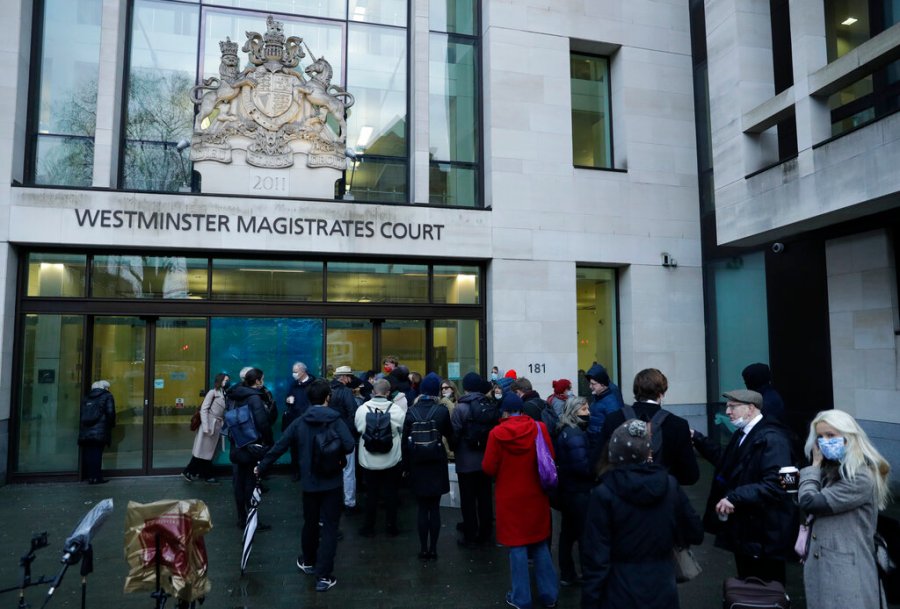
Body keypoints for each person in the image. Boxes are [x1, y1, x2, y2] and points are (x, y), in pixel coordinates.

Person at [581, 419, 703, 609]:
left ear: (613, 452)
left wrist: (590, 599)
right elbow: (695, 532)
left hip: (619, 587)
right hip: (662, 584)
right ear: (648, 452)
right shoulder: (669, 485)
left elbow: (597, 557)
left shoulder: (604, 493)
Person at [255, 379, 355, 593]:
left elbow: (280, 445)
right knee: (329, 527)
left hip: (309, 483)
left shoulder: (300, 421)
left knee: (310, 523)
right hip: (332, 482)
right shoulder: (336, 420)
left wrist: (262, 467)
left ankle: (308, 561)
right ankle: (324, 576)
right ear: (328, 397)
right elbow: (349, 445)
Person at [691, 389, 797, 583]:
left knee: (766, 588)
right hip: (749, 531)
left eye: (732, 407)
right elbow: (728, 462)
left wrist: (735, 496)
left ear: (750, 408)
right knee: (749, 585)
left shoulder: (772, 438)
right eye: (727, 407)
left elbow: (777, 485)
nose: (728, 412)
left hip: (764, 534)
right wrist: (698, 438)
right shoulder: (745, 433)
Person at [798, 409, 891, 609]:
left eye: (831, 435)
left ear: (849, 438)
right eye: (820, 437)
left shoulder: (860, 477)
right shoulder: (832, 470)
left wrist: (813, 466)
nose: (824, 441)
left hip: (846, 570)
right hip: (828, 564)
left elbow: (809, 502)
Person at [482, 393, 558, 609]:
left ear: (504, 411)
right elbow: (550, 456)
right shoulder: (539, 428)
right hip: (535, 494)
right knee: (540, 543)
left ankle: (521, 598)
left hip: (510, 497)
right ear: (522, 410)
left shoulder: (496, 434)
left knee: (517, 547)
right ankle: (549, 594)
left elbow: (488, 467)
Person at [598, 368, 698, 486]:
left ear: (635, 391)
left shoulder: (613, 419)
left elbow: (599, 463)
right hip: (661, 493)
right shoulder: (678, 424)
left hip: (621, 492)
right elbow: (690, 476)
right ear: (662, 393)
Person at [402, 372, 453, 560]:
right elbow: (450, 435)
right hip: (436, 463)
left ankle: (423, 548)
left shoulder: (411, 411)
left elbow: (404, 443)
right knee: (435, 508)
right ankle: (434, 548)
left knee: (422, 508)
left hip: (417, 464)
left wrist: (406, 467)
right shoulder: (441, 411)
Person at [355, 378, 406, 537]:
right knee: (391, 493)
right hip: (392, 459)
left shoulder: (362, 409)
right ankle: (391, 527)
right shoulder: (396, 410)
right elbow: (402, 431)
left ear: (373, 392)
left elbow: (358, 429)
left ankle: (369, 527)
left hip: (369, 460)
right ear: (388, 392)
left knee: (372, 494)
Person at [553, 396, 595, 586]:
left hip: (568, 491)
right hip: (578, 491)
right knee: (584, 535)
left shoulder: (565, 431)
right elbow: (582, 467)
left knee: (568, 534)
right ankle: (588, 575)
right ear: (574, 411)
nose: (588, 413)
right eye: (584, 410)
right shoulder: (575, 434)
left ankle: (567, 573)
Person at [452, 372, 496, 547]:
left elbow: (454, 433)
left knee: (468, 500)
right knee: (485, 498)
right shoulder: (488, 404)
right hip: (485, 459)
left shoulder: (460, 407)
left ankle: (470, 534)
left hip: (465, 460)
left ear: (466, 387)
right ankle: (486, 532)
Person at [229, 367, 275, 528]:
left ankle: (242, 518)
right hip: (252, 445)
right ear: (257, 381)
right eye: (262, 378)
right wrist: (269, 443)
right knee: (250, 482)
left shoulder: (235, 394)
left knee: (238, 483)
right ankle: (251, 520)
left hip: (237, 443)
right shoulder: (254, 398)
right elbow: (262, 422)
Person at [183, 373, 229, 483]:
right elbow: (204, 410)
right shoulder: (212, 393)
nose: (227, 382)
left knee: (206, 451)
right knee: (205, 452)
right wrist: (205, 427)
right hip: (209, 425)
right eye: (226, 380)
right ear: (220, 381)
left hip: (216, 426)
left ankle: (192, 472)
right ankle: (203, 474)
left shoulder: (224, 393)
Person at [331, 365, 360, 513]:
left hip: (329, 436)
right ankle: (349, 503)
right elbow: (353, 413)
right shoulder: (346, 392)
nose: (350, 380)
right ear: (343, 377)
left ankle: (333, 501)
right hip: (345, 435)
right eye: (349, 377)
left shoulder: (327, 390)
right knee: (348, 471)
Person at [78, 380, 116, 484]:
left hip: (86, 430)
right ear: (105, 387)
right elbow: (110, 412)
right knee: (97, 454)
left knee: (89, 453)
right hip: (100, 429)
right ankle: (97, 477)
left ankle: (91, 476)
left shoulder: (86, 397)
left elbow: (82, 413)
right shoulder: (107, 396)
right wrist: (111, 425)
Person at [284, 362, 315, 480]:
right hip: (295, 420)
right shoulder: (294, 384)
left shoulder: (313, 384)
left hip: (309, 420)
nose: (294, 374)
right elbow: (287, 397)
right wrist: (288, 400)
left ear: (303, 371)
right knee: (295, 447)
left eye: (295, 372)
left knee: (309, 447)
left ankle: (309, 471)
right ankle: (295, 471)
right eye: (293, 371)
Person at [584, 363, 623, 436]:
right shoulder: (597, 397)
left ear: (603, 384)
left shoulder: (611, 403)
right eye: (590, 383)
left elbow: (614, 428)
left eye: (593, 384)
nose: (590, 386)